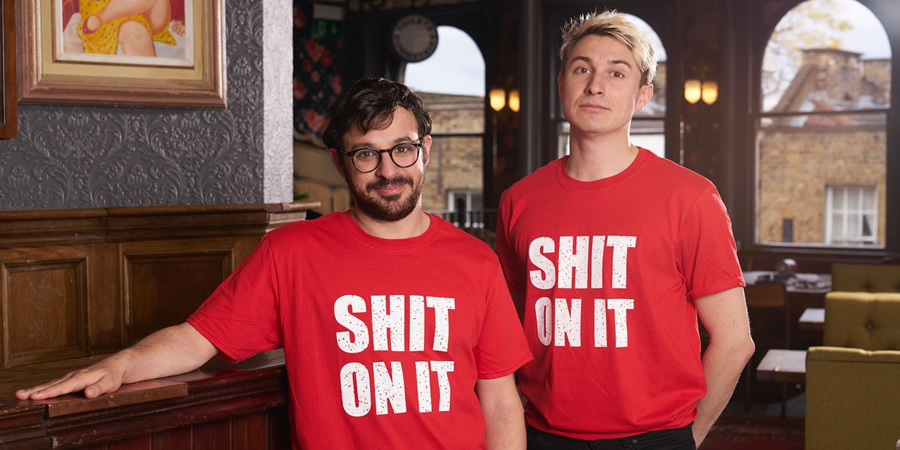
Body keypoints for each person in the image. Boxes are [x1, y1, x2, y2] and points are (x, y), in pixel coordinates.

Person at [17, 78, 533, 450]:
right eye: (365, 155)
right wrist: (120, 365)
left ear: (424, 150)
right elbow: (199, 338)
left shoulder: (474, 260)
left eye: (401, 149)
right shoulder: (292, 252)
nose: (386, 170)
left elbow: (499, 399)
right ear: (340, 161)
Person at [495, 10, 755, 449]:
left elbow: (735, 341)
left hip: (655, 437)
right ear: (561, 85)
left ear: (642, 96)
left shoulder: (690, 197)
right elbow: (509, 330)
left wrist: (687, 438)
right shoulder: (519, 201)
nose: (595, 85)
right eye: (582, 69)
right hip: (543, 435)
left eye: (617, 73)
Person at [78, 0, 182, 56]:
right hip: (105, 5)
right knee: (136, 33)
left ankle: (101, 17)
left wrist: (184, 19)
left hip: (149, 11)